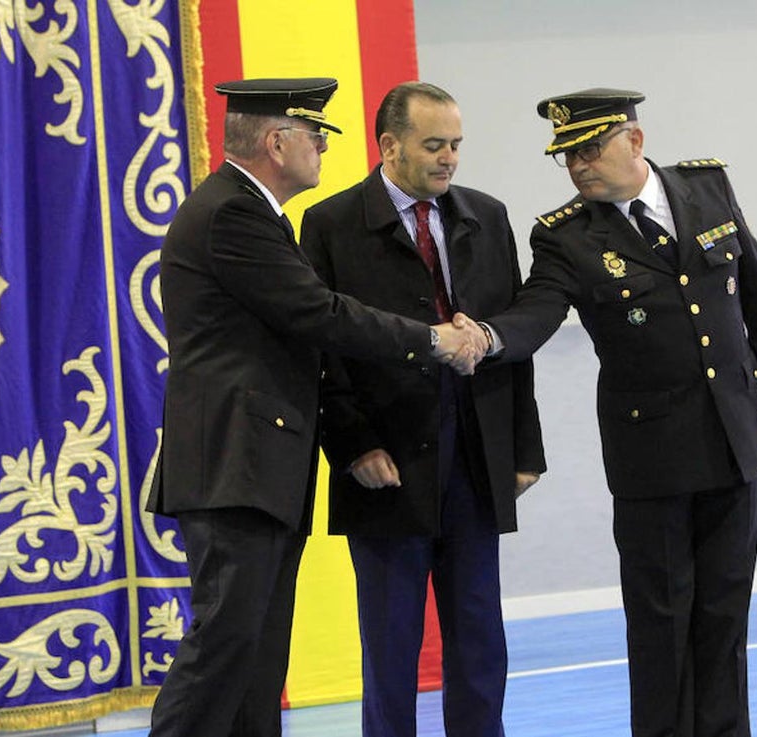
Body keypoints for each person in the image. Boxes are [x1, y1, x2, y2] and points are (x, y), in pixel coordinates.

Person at [145, 77, 487, 737]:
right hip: (234, 469)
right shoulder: (233, 213)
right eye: (316, 137)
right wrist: (432, 340)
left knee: (256, 659)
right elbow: (320, 313)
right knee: (225, 649)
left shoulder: (251, 211)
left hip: (258, 468)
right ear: (279, 141)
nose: (324, 151)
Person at [483, 88, 757, 737]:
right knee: (661, 623)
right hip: (651, 458)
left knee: (724, 615)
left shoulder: (707, 187)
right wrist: (487, 338)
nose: (578, 166)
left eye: (589, 149)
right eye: (566, 156)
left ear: (634, 140)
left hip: (731, 436)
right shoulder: (565, 235)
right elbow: (536, 313)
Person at [299, 81, 545, 737]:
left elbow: (512, 334)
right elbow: (321, 351)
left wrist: (523, 447)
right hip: (388, 464)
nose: (449, 159)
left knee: (480, 637)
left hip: (474, 459)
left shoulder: (486, 215)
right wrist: (352, 447)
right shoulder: (329, 224)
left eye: (456, 145)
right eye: (433, 145)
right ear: (389, 146)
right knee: (391, 644)